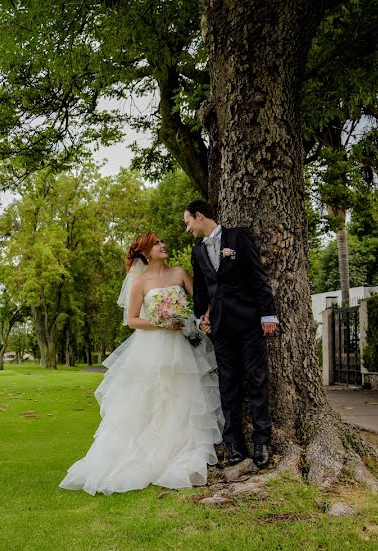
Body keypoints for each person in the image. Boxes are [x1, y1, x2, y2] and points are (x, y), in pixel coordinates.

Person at [59, 233, 223, 495]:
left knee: (182, 397)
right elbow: (133, 320)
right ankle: (147, 455)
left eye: (162, 241)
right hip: (152, 347)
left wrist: (203, 317)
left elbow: (202, 299)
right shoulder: (140, 282)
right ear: (146, 252)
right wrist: (161, 323)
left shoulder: (180, 272)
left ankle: (178, 450)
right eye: (157, 243)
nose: (163, 245)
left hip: (182, 346)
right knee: (151, 399)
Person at [183, 200, 278, 470]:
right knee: (228, 384)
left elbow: (258, 277)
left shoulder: (238, 237)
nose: (188, 228)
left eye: (188, 222)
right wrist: (201, 315)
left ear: (199, 216)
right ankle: (234, 444)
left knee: (257, 379)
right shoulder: (197, 251)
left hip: (249, 322)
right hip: (220, 327)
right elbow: (201, 288)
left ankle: (262, 441)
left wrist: (267, 314)